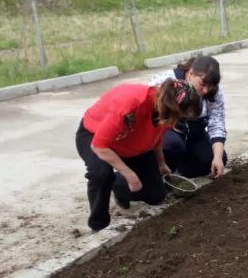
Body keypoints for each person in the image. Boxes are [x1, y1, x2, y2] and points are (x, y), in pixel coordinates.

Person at [76, 79, 202, 232]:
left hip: (132, 142)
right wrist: (130, 175)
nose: (179, 120)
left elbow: (157, 137)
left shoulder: (166, 109)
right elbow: (99, 146)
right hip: (95, 136)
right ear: (173, 107)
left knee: (156, 195)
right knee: (101, 174)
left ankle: (118, 189)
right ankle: (98, 225)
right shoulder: (130, 103)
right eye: (181, 116)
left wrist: (161, 164)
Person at [149, 55, 228, 179]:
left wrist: (217, 157)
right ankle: (162, 171)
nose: (206, 90)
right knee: (172, 145)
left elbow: (217, 123)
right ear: (190, 73)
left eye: (211, 86)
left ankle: (183, 166)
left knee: (216, 159)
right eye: (203, 84)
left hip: (194, 132)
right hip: (168, 129)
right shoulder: (165, 81)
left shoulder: (213, 92)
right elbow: (151, 117)